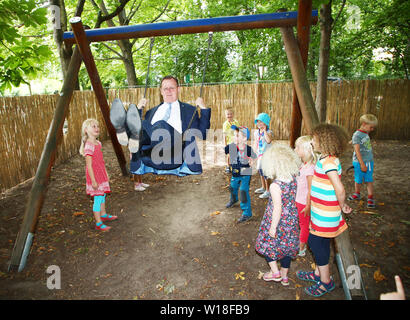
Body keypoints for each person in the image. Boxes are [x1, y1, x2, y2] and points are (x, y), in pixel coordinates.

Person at [110, 75, 211, 177]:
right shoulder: (151, 112)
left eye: (172, 88)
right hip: (152, 153)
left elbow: (203, 134)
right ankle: (126, 132)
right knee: (144, 125)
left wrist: (203, 108)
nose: (168, 91)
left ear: (178, 89)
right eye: (165, 88)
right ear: (161, 91)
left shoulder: (190, 110)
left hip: (175, 150)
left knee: (160, 125)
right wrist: (139, 109)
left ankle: (129, 131)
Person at [296, 123, 352, 297]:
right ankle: (319, 274)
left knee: (315, 243)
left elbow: (339, 188)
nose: (312, 142)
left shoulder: (329, 163)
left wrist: (342, 204)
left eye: (314, 139)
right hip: (321, 212)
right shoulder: (326, 159)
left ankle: (326, 282)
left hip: (326, 215)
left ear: (325, 141)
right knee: (320, 243)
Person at [255, 142, 301, 286]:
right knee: (286, 247)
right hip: (291, 220)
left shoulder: (276, 186)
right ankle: (285, 276)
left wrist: (273, 227)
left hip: (278, 221)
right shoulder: (294, 178)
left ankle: (275, 273)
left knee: (269, 245)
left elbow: (277, 208)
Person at [79, 119, 117, 232]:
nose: (97, 128)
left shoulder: (98, 143)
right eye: (93, 126)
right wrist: (93, 181)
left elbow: (101, 161)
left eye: (97, 126)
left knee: (103, 195)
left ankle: (103, 214)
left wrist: (106, 173)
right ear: (86, 130)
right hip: (94, 176)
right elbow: (89, 166)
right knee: (98, 198)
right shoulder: (89, 146)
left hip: (101, 174)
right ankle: (98, 222)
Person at [225, 125, 257, 223]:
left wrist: (252, 161)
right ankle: (234, 199)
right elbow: (226, 151)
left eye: (237, 135)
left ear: (244, 138)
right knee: (232, 187)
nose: (235, 137)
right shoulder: (232, 146)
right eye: (234, 135)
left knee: (243, 191)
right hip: (235, 172)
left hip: (246, 172)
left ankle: (247, 213)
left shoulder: (248, 149)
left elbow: (254, 157)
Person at [348, 114, 378, 209]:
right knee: (358, 179)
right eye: (371, 127)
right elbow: (357, 151)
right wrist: (361, 164)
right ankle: (357, 193)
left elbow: (357, 142)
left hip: (368, 161)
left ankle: (370, 197)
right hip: (360, 162)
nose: (372, 129)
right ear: (364, 124)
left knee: (369, 179)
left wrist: (352, 141)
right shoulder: (357, 135)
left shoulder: (365, 132)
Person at [294, 135, 318, 257]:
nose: (295, 150)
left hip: (304, 201)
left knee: (304, 225)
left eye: (297, 148)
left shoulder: (310, 168)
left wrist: (308, 205)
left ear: (306, 150)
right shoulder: (304, 165)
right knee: (302, 223)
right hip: (299, 199)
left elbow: (311, 189)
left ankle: (301, 248)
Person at [253, 113, 273, 199]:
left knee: (266, 173)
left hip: (266, 156)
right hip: (260, 155)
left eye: (261, 122)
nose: (259, 124)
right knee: (260, 171)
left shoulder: (269, 132)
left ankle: (268, 190)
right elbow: (256, 143)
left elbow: (268, 141)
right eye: (258, 122)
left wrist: (264, 131)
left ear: (266, 123)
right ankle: (263, 187)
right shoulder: (256, 132)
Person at [222, 108, 240, 173]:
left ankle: (234, 166)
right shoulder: (225, 124)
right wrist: (225, 143)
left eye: (231, 114)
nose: (229, 115)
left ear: (233, 114)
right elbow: (224, 134)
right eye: (228, 114)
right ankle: (228, 166)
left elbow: (238, 131)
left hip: (235, 141)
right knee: (229, 154)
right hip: (229, 141)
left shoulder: (236, 122)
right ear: (225, 115)